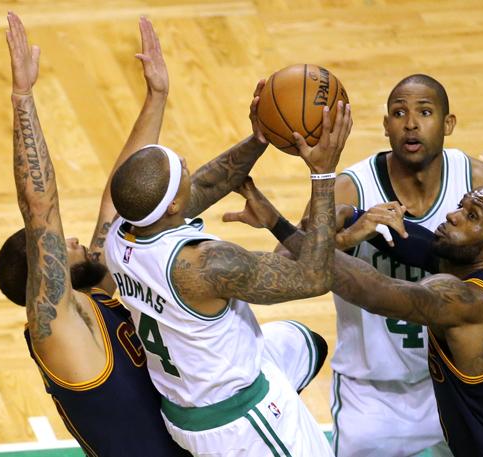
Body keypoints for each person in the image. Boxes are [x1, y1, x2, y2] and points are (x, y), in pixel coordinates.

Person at [277, 73, 483, 456]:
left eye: (425, 112)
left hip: (460, 384)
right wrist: (346, 232)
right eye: (399, 113)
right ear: (385, 125)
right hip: (374, 393)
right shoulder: (352, 190)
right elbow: (286, 273)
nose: (411, 124)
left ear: (448, 123)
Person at [225, 179, 483, 457]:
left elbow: (374, 291)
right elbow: (423, 248)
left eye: (472, 216)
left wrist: (278, 224)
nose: (453, 216)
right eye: (460, 206)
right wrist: (357, 220)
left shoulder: (468, 301)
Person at [104, 100, 352, 456]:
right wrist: (324, 174)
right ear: (172, 205)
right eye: (179, 168)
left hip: (186, 404)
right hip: (240, 423)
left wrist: (260, 138)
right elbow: (314, 277)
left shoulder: (120, 235)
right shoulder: (207, 265)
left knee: (303, 342)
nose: (187, 164)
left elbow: (210, 181)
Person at [0, 13, 193, 456]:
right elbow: (40, 209)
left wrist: (156, 97)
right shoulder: (57, 328)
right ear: (42, 272)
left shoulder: (95, 290)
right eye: (56, 246)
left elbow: (117, 201)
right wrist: (23, 96)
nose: (69, 240)